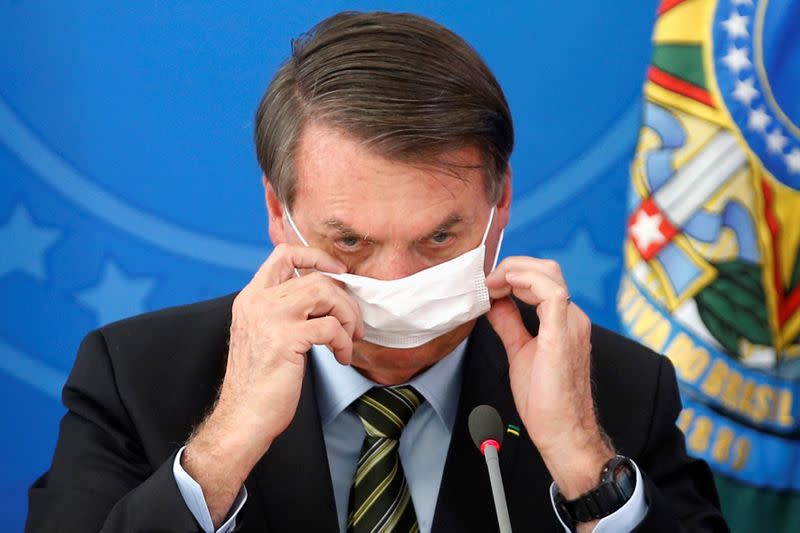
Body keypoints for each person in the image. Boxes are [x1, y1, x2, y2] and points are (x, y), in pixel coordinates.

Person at [26, 11, 728, 533]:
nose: (394, 280)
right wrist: (223, 448)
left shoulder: (620, 390)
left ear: (500, 204)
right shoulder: (137, 377)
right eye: (352, 241)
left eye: (438, 237)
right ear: (279, 212)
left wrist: (583, 463)